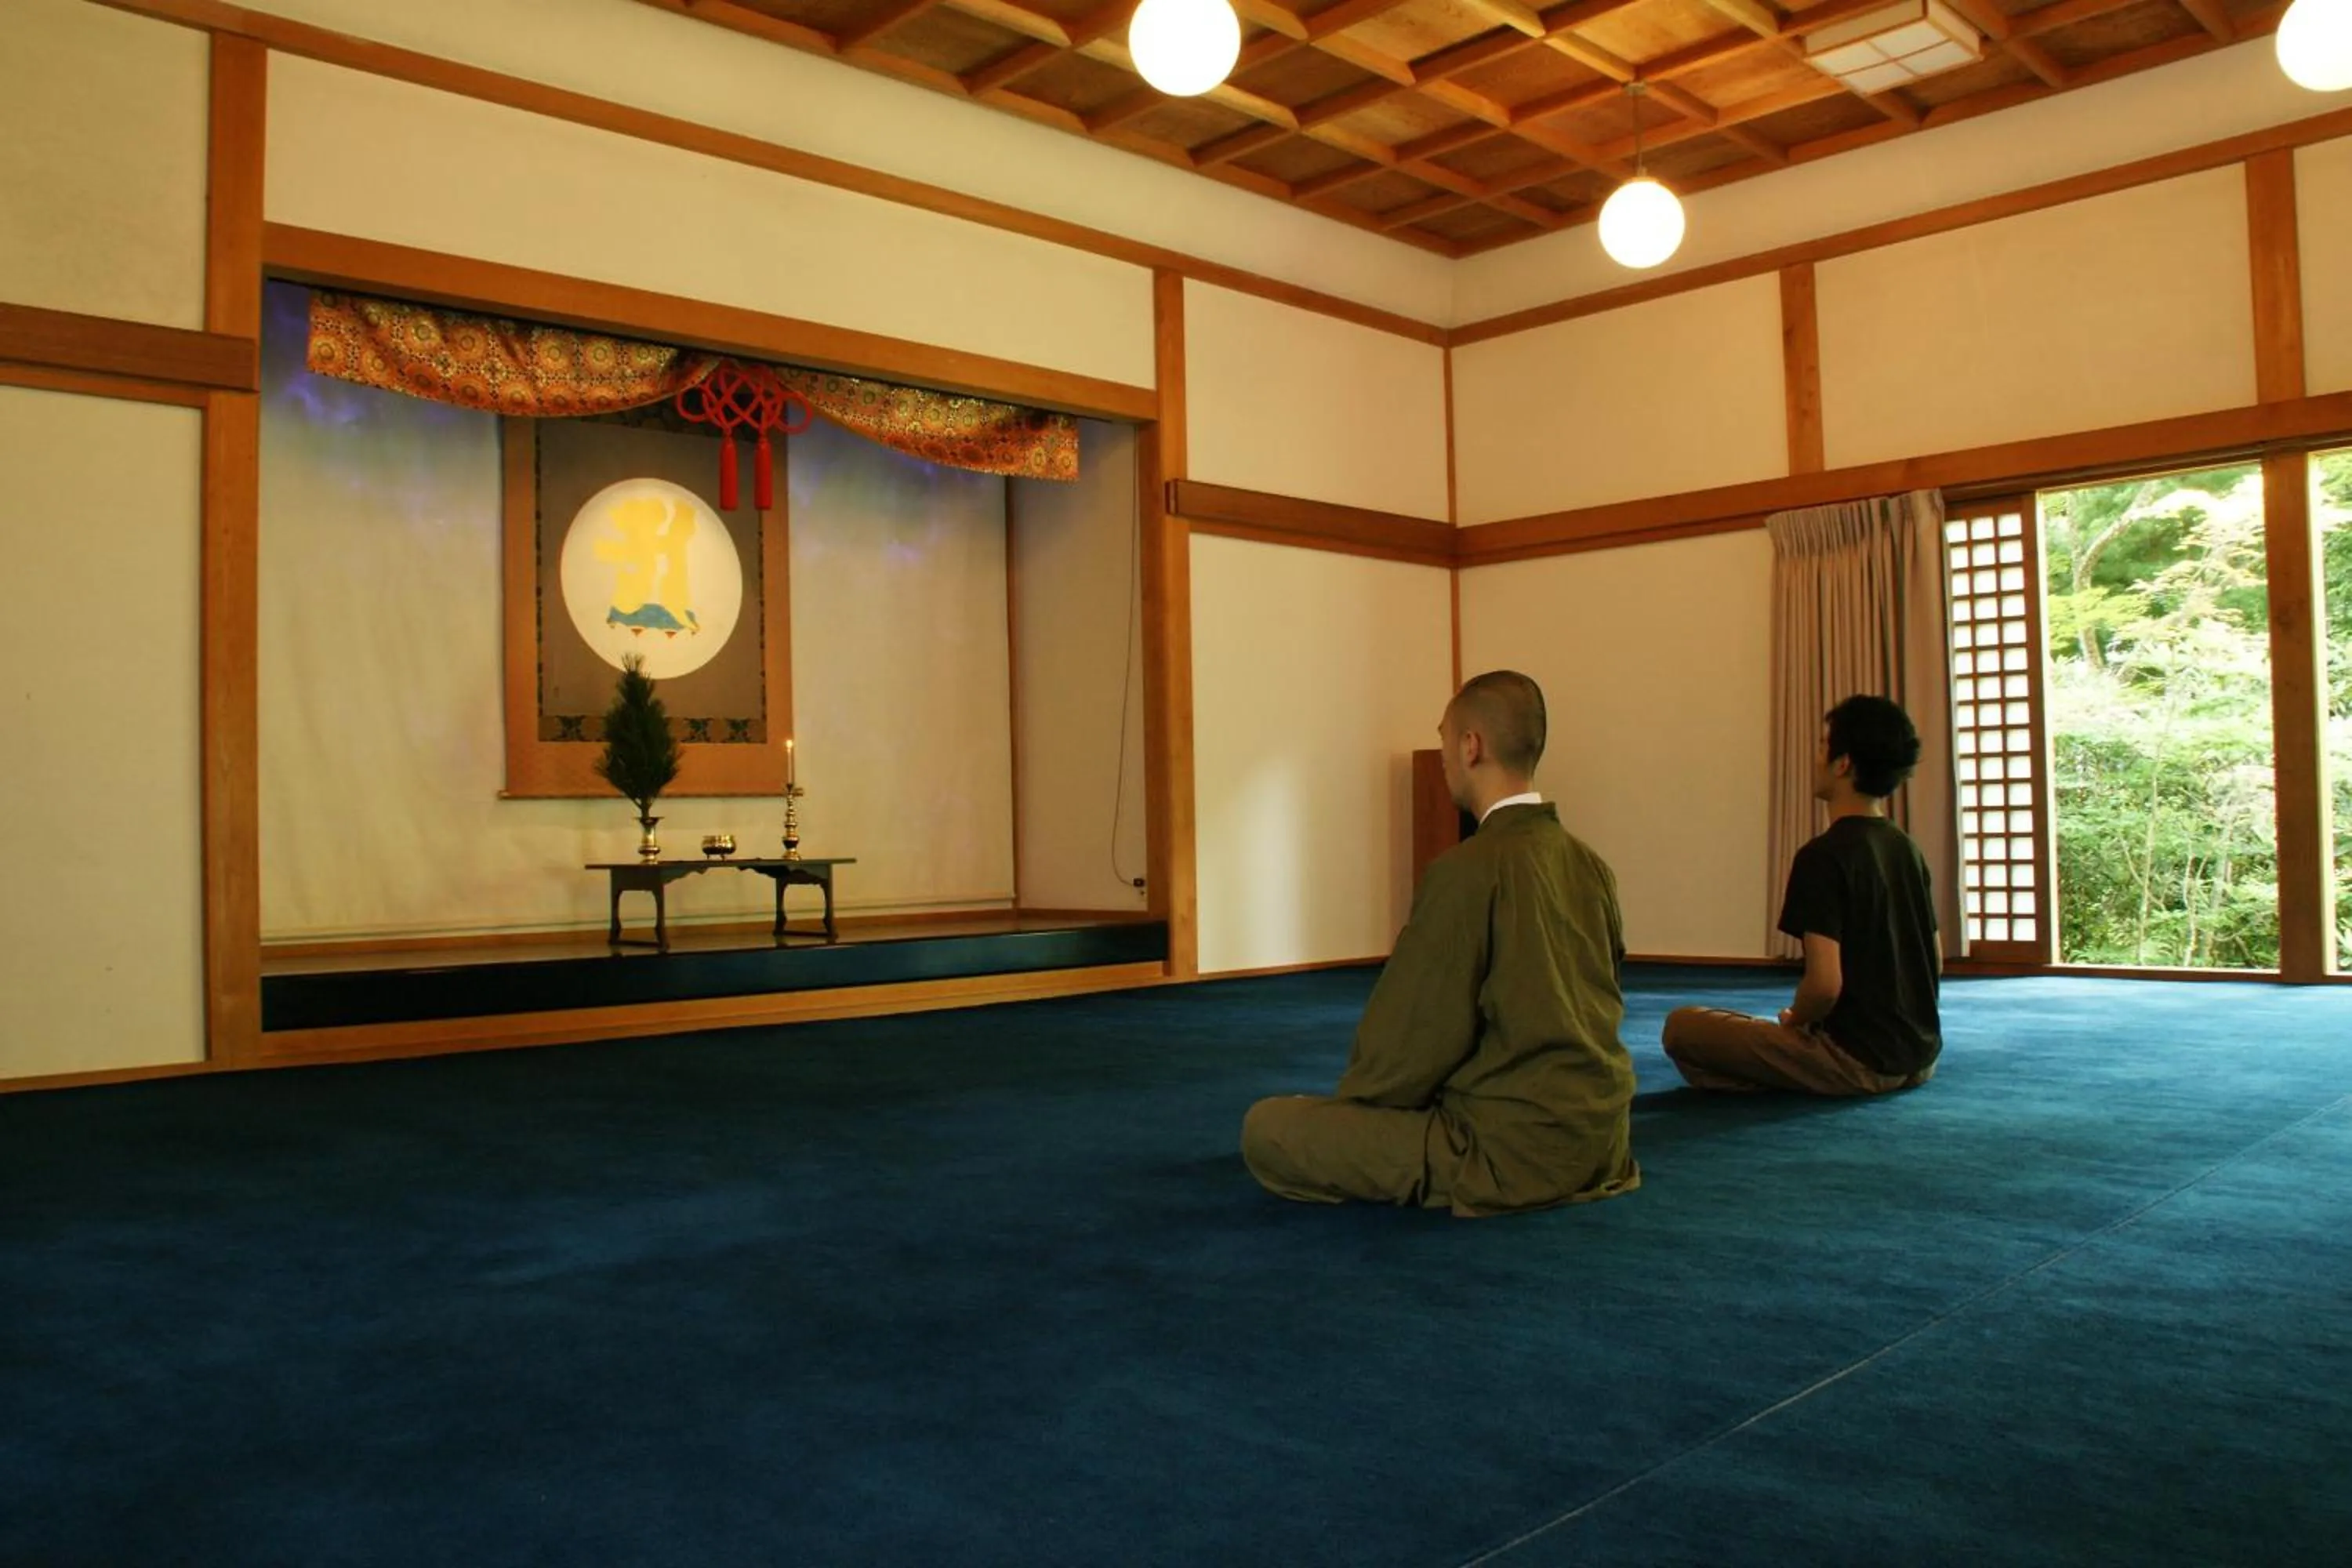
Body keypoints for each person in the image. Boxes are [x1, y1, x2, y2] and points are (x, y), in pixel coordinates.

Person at [1240, 671, 1640, 1218]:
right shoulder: (1592, 866)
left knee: (1269, 1127)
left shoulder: (1466, 870)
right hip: (1604, 1142)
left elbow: (1411, 1039)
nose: (1445, 756)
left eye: (1445, 738)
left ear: (1471, 746)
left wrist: (1360, 1109)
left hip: (1505, 1152)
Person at [1662, 694, 1941, 1096]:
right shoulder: (1906, 848)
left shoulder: (1823, 856)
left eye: (1823, 746)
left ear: (1843, 764)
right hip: (1920, 1059)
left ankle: (1782, 1077)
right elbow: (1933, 959)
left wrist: (1795, 1020)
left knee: (1683, 1026)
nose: (1816, 757)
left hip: (1854, 1063)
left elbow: (1825, 985)